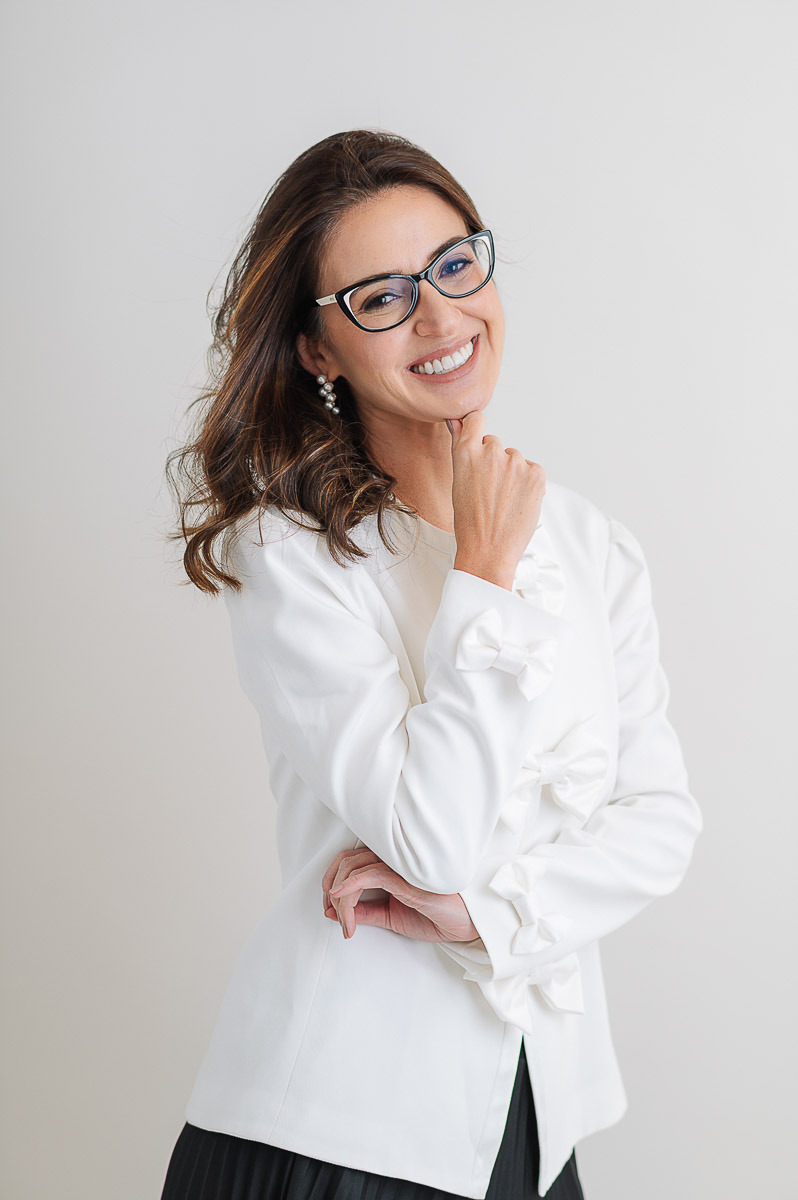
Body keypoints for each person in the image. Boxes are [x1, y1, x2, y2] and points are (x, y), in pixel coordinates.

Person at [159, 129, 703, 1200]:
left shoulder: (594, 546)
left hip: (535, 1128)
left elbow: (660, 818)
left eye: (456, 265)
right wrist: (484, 572)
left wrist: (482, 914)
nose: (443, 318)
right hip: (335, 1137)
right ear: (319, 350)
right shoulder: (291, 555)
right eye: (382, 296)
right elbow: (426, 829)